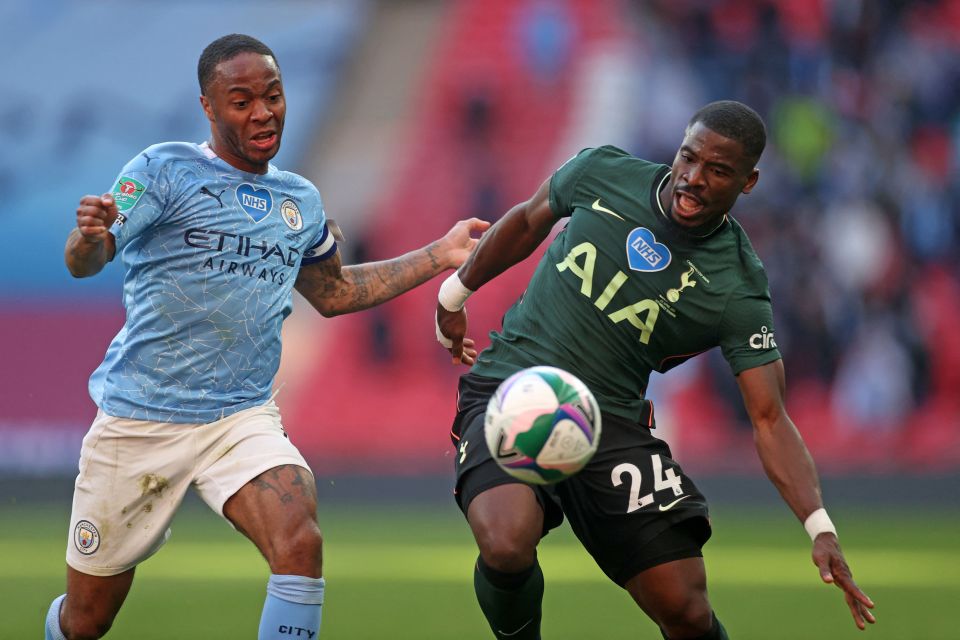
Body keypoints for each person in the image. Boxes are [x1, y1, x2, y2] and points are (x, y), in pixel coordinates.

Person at [48, 33, 488, 640]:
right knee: (86, 622)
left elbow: (333, 293)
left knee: (300, 540)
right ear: (208, 106)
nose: (263, 112)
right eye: (242, 100)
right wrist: (90, 237)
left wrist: (438, 254)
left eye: (274, 96)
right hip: (140, 420)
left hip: (239, 418)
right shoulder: (161, 170)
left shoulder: (298, 201)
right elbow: (86, 259)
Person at [435, 100, 876, 639]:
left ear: (748, 182)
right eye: (688, 158)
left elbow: (768, 417)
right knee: (505, 541)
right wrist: (453, 295)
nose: (693, 178)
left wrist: (820, 527)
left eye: (717, 171)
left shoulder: (736, 286)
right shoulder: (603, 172)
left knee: (685, 608)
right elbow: (529, 220)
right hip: (517, 382)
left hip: (611, 422)